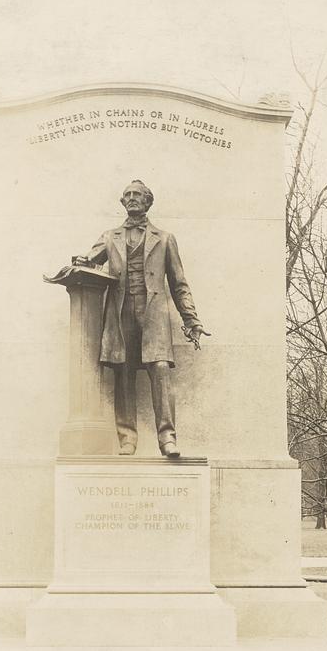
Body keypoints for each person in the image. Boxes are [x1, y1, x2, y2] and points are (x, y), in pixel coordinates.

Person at [69, 180, 209, 457]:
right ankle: (127, 438)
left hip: (153, 313)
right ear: (122, 202)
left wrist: (191, 319)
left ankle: (167, 437)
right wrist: (81, 262)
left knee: (159, 369)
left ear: (148, 201)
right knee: (124, 372)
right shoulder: (110, 237)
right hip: (120, 312)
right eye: (127, 195)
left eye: (138, 195)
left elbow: (179, 283)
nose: (132, 198)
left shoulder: (165, 238)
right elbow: (89, 260)